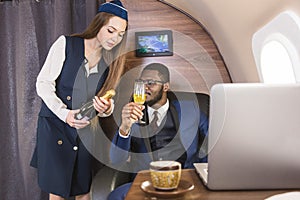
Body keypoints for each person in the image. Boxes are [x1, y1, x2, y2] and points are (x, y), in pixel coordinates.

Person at [30, 1, 128, 200]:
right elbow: (43, 83)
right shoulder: (65, 44)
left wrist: (107, 108)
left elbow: (107, 100)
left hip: (85, 132)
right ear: (99, 24)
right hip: (55, 127)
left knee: (84, 191)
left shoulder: (110, 62)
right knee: (57, 192)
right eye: (111, 30)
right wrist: (65, 114)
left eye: (120, 34)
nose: (115, 38)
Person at [107, 63, 208, 200]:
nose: (144, 87)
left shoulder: (191, 109)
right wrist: (125, 128)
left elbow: (212, 140)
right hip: (145, 181)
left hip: (184, 179)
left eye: (151, 83)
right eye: (141, 82)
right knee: (116, 196)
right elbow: (117, 159)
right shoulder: (131, 113)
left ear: (165, 86)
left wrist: (202, 172)